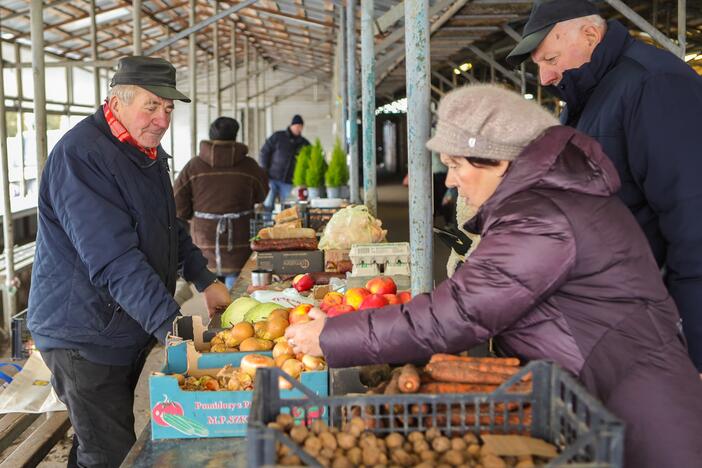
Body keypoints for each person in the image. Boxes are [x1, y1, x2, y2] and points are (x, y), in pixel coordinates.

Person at [285, 85, 702, 468]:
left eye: (455, 165)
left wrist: (330, 335)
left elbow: (457, 314)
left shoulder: (542, 219)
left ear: (498, 160)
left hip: (636, 412)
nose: (449, 180)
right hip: (609, 390)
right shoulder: (549, 202)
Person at [27, 56, 231, 468]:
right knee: (113, 455)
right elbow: (114, 258)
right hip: (82, 334)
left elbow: (167, 227)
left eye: (169, 109)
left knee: (97, 445)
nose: (161, 119)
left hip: (121, 326)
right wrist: (173, 329)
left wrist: (204, 279)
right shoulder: (81, 157)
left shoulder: (146, 151)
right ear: (116, 102)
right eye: (151, 106)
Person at [506, 0, 702, 375]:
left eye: (550, 59)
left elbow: (694, 219)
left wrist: (695, 348)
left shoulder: (655, 86)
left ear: (591, 35)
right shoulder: (588, 94)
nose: (545, 77)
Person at [174, 117, 269, 289]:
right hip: (239, 233)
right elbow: (262, 194)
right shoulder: (249, 165)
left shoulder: (194, 166)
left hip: (204, 234)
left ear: (210, 135)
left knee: (209, 282)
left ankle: (215, 310)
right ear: (235, 136)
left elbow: (178, 201)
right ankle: (232, 311)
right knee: (236, 283)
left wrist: (191, 215)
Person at [259, 114, 310, 209]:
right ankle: (266, 223)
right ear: (292, 125)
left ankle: (282, 223)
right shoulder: (278, 136)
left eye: (301, 127)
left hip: (289, 182)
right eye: (297, 126)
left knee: (287, 205)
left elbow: (310, 158)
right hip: (272, 178)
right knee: (268, 203)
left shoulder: (304, 143)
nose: (299, 129)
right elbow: (264, 152)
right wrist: (264, 170)